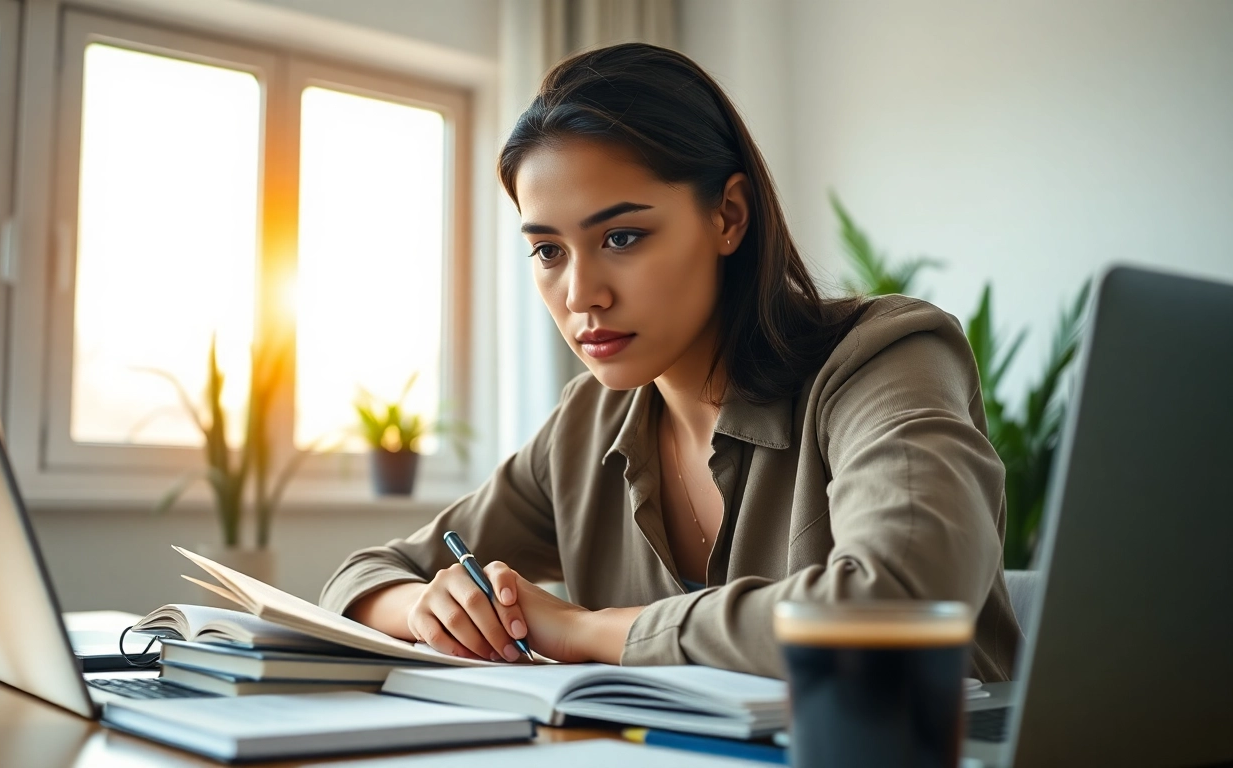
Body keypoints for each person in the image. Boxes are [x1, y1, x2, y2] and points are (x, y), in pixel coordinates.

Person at [320, 42, 1020, 682]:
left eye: (622, 237)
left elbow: (904, 602)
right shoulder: (585, 427)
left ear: (728, 216)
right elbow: (365, 576)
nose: (581, 294)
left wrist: (587, 630)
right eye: (548, 250)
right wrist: (428, 608)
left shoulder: (882, 359)